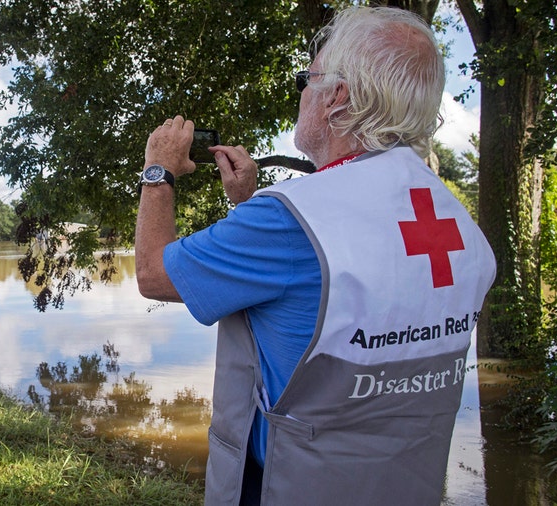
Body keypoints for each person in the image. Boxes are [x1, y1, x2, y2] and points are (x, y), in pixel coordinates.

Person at [135, 6, 496, 506]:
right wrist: (244, 206)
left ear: (336, 98)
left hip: (295, 487)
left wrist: (158, 171)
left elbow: (154, 274)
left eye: (309, 79)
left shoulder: (286, 222)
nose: (303, 92)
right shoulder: (455, 220)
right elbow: (330, 292)